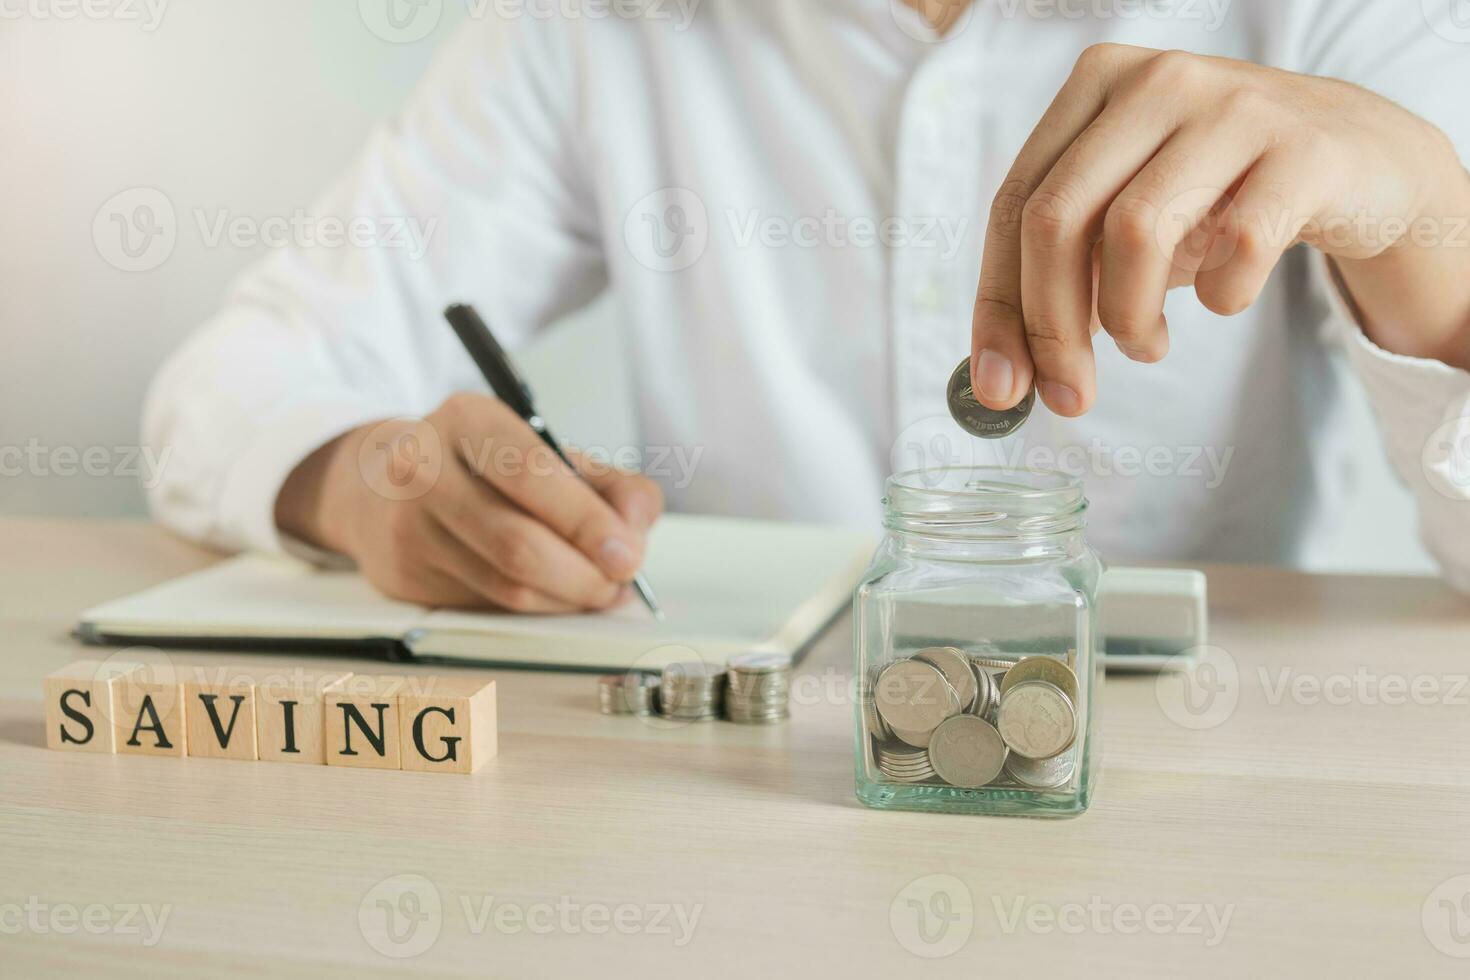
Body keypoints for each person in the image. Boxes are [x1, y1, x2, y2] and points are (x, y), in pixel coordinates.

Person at [145, 0, 1470, 612]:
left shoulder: (1345, 18)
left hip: (1202, 798)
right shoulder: (589, 30)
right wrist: (363, 482)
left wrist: (1429, 221)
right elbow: (237, 380)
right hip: (722, 799)